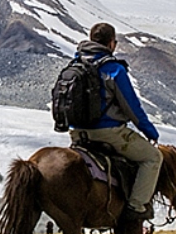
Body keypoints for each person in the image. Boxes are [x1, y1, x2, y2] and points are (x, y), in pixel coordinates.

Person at [69, 22, 163, 222]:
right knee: (153, 157)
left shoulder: (75, 65)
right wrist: (150, 132)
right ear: (112, 43)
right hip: (108, 133)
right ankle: (135, 207)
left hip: (77, 134)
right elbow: (132, 107)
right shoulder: (113, 69)